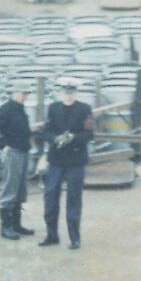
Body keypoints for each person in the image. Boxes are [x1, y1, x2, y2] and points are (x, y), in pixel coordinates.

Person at [36, 77, 94, 249]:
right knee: (51, 198)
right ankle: (51, 235)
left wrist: (72, 138)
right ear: (60, 93)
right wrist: (55, 139)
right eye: (65, 93)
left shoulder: (84, 109)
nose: (68, 96)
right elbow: (45, 132)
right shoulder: (53, 108)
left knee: (73, 200)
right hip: (56, 161)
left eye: (72, 93)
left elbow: (89, 134)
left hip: (76, 161)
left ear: (76, 93)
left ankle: (74, 238)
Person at [0, 81, 36, 240]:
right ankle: (6, 227)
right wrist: (3, 146)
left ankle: (16, 224)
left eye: (27, 94)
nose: (25, 97)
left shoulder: (20, 109)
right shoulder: (6, 109)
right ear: (14, 92)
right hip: (13, 153)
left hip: (23, 151)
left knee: (20, 189)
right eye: (23, 93)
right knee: (10, 189)